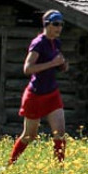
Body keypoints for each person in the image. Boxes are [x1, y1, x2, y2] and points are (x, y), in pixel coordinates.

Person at [9, 10, 69, 165]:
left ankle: (59, 170)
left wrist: (62, 65)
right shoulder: (38, 43)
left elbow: (58, 64)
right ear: (46, 24)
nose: (59, 28)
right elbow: (27, 68)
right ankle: (10, 164)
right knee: (29, 136)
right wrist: (52, 63)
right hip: (35, 95)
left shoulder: (56, 42)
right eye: (55, 24)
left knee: (60, 133)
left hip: (52, 93)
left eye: (61, 24)